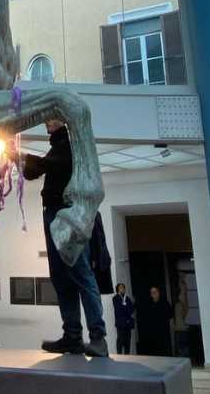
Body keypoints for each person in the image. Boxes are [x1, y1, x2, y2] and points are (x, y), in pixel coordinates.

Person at [21, 119, 108, 358]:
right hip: (54, 214)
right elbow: (34, 171)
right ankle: (72, 336)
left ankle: (98, 337)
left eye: (52, 116)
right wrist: (15, 158)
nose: (46, 121)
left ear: (64, 119)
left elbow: (47, 164)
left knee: (80, 274)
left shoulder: (70, 145)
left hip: (67, 215)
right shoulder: (58, 146)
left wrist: (18, 155)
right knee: (61, 276)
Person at [137, 287, 173, 356]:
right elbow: (144, 317)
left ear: (159, 293)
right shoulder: (148, 304)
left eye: (155, 292)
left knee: (164, 351)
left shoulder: (164, 302)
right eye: (152, 292)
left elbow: (170, 314)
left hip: (163, 331)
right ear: (150, 294)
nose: (154, 294)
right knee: (154, 351)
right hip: (152, 333)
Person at [112, 283, 135, 355]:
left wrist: (125, 307)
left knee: (127, 341)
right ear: (117, 289)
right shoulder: (115, 298)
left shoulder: (127, 298)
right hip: (120, 323)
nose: (122, 289)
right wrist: (126, 307)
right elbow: (119, 309)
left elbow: (132, 310)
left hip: (128, 323)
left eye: (123, 288)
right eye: (121, 287)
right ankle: (119, 355)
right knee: (120, 340)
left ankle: (127, 356)